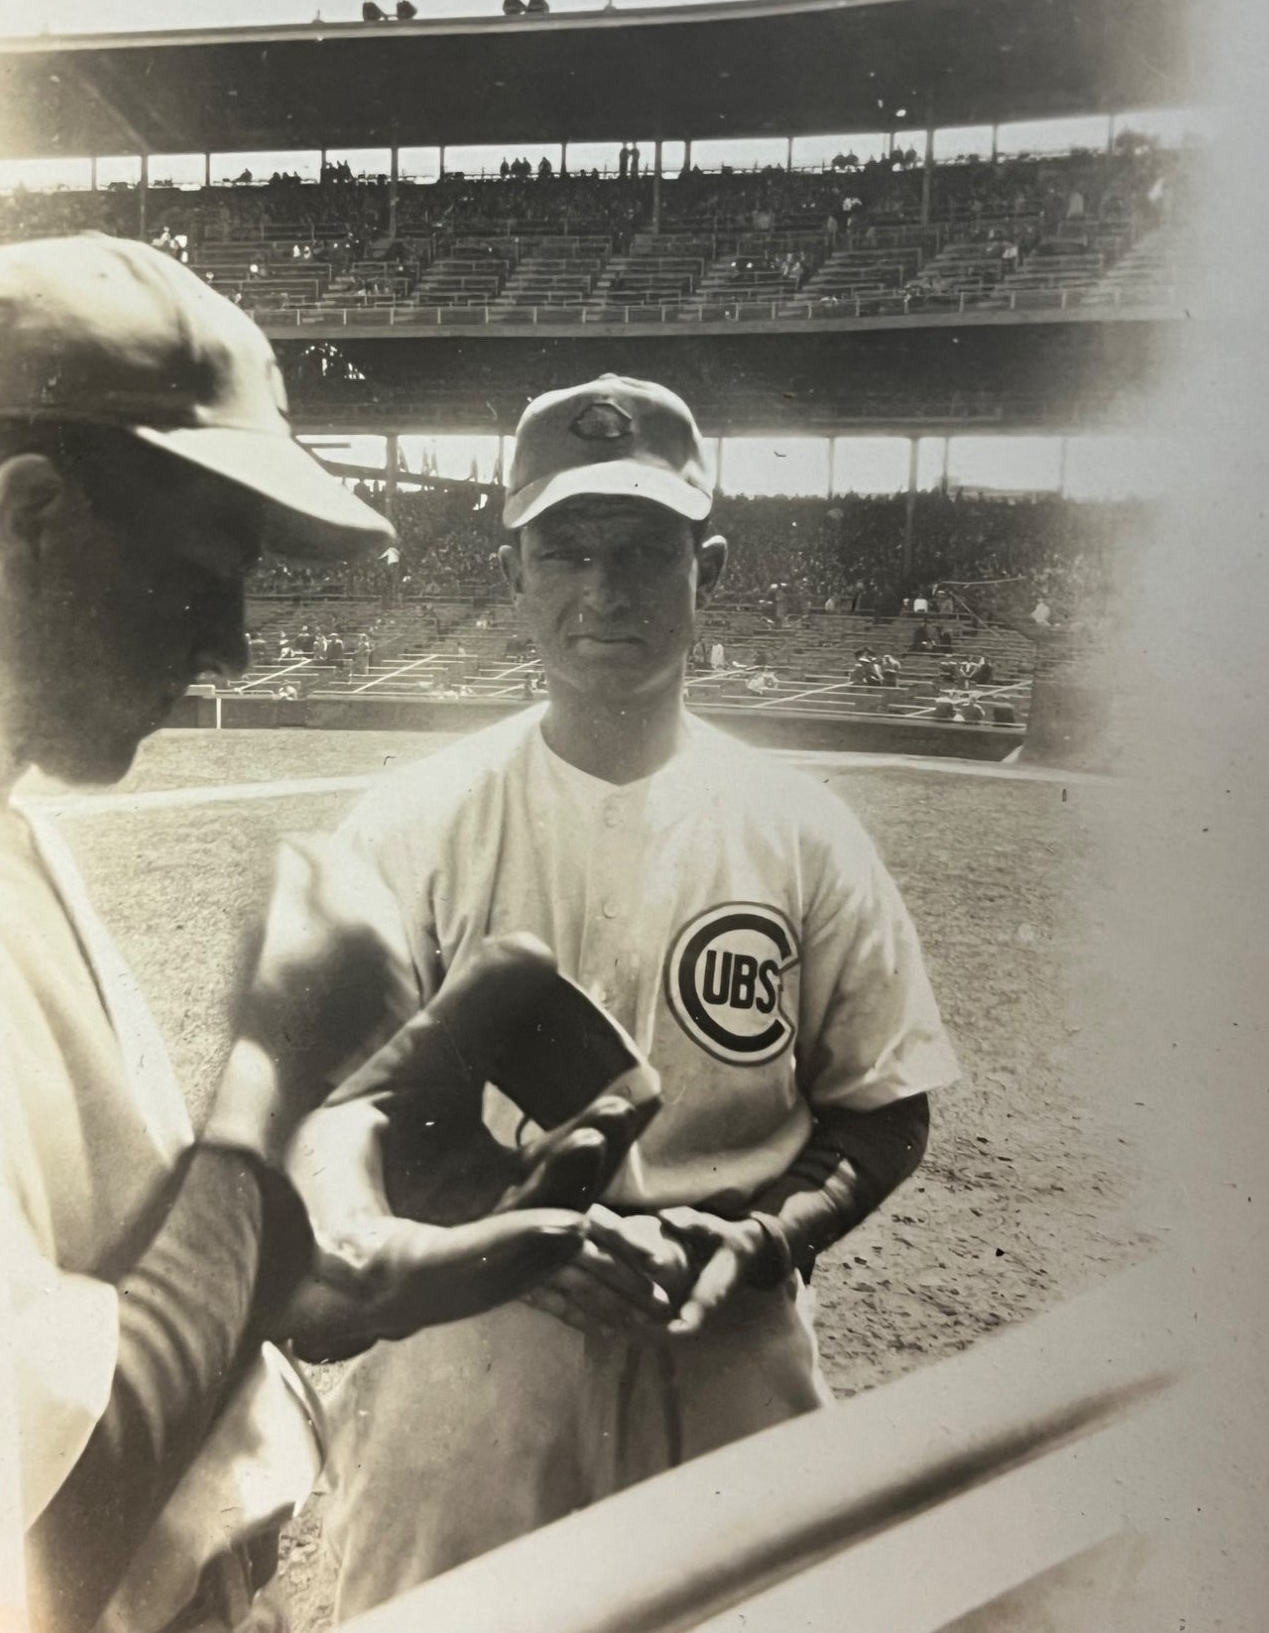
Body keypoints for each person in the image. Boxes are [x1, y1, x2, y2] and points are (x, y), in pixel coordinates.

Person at [0, 236, 603, 1633]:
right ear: (28, 525)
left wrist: (310, 1241)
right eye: (203, 574)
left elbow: (91, 1321)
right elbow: (16, 1540)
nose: (237, 648)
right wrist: (272, 1069)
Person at [314, 374, 959, 1616]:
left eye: (645, 553)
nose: (604, 591)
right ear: (515, 573)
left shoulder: (800, 832)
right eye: (565, 550)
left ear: (705, 570)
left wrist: (767, 1235)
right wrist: (497, 1223)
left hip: (724, 1333)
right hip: (469, 1345)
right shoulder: (409, 824)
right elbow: (336, 1109)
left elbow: (886, 1100)